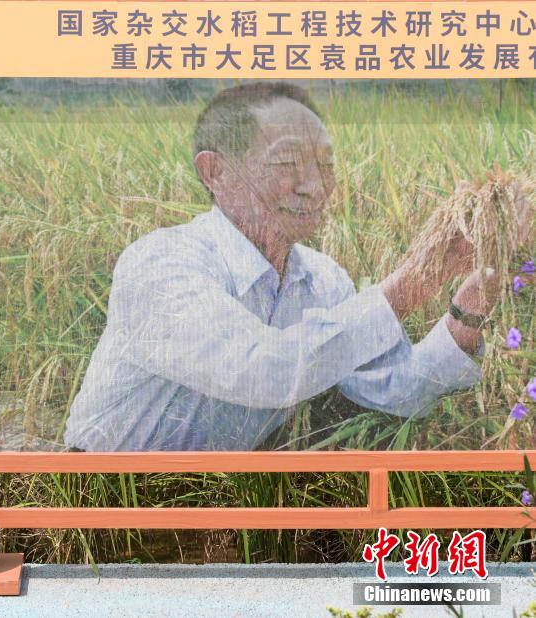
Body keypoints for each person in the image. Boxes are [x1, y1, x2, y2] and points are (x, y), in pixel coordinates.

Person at [63, 82, 530, 452]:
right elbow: (259, 371)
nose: (314, 185)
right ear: (216, 173)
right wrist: (417, 277)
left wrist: (478, 288)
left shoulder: (323, 280)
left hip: (219, 502)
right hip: (103, 503)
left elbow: (396, 388)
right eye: (288, 162)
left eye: (325, 164)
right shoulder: (161, 265)